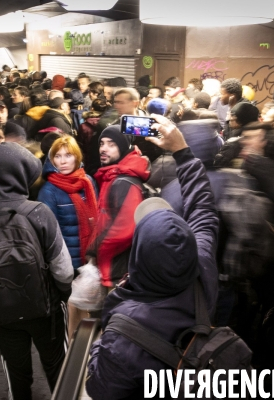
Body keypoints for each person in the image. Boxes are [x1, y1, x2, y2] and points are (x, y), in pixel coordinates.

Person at [86, 114, 219, 399]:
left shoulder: (123, 331)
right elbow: (203, 210)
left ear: (139, 257)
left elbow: (99, 389)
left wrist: (100, 344)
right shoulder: (203, 266)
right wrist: (182, 152)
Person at [0, 143, 74, 399]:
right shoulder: (39, 212)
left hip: (3, 311)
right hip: (47, 310)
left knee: (16, 370)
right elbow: (63, 270)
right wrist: (61, 295)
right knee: (57, 365)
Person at [37, 135, 99, 334]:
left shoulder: (87, 181)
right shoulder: (49, 190)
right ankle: (74, 355)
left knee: (88, 312)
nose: (62, 161)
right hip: (65, 265)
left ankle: (87, 354)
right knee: (71, 315)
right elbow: (48, 233)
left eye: (68, 155)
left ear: (77, 157)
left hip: (88, 260)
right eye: (58, 156)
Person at [87, 125, 150, 289]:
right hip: (112, 267)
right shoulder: (111, 175)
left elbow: (124, 229)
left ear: (122, 147)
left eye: (111, 144)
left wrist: (96, 249)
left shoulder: (123, 181)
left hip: (118, 270)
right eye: (102, 143)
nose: (104, 149)